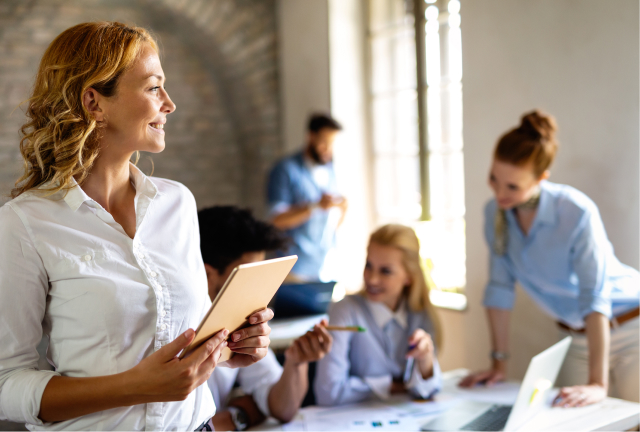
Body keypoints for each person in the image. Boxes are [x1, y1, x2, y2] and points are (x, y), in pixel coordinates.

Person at [0, 22, 273, 431]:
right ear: (94, 103)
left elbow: (185, 340)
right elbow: (7, 386)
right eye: (152, 87)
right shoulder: (25, 223)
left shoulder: (177, 204)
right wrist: (134, 387)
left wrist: (233, 348)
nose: (169, 104)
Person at [460, 110, 640, 407]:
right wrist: (498, 366)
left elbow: (593, 295)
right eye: (494, 179)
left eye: (512, 187)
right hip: (575, 336)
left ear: (541, 179)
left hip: (630, 324)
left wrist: (598, 384)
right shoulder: (494, 214)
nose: (499, 193)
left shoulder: (575, 212)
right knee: (566, 419)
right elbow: (499, 290)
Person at [198, 206, 333, 430]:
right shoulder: (169, 330)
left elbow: (282, 408)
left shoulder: (236, 322)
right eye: (247, 278)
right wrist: (238, 416)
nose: (257, 294)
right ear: (207, 275)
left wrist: (296, 362)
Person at [314, 224, 442, 405]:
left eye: (385, 271)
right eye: (369, 266)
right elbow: (329, 393)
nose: (372, 279)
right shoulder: (345, 311)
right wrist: (391, 385)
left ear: (409, 277)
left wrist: (425, 360)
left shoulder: (420, 314)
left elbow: (427, 391)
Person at [267, 113, 348, 281]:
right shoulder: (285, 170)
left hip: (325, 266)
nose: (328, 150)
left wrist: (342, 208)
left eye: (332, 144)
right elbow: (276, 220)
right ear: (310, 136)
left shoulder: (330, 169)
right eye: (324, 143)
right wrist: (314, 206)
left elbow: (331, 221)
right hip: (294, 268)